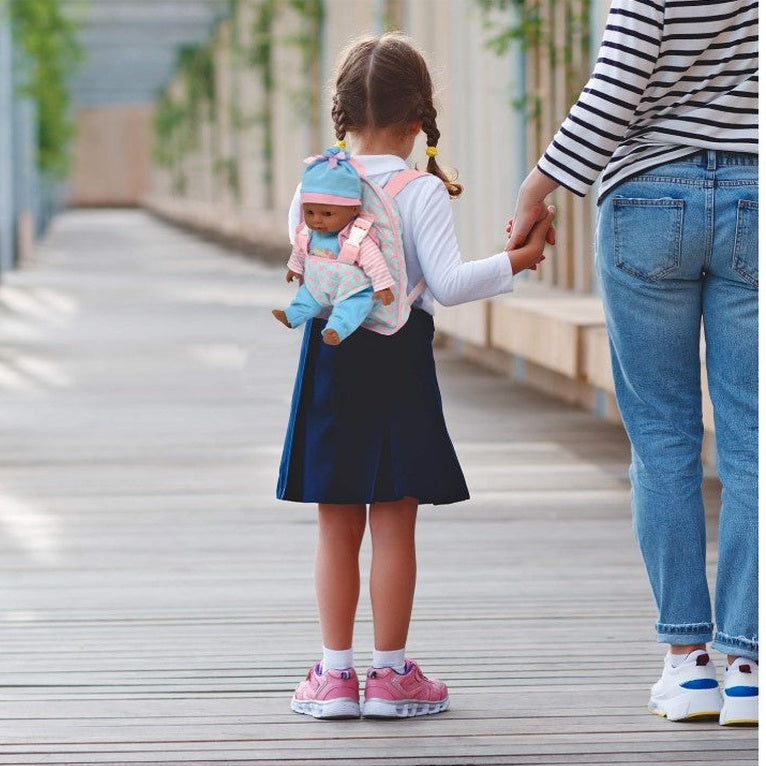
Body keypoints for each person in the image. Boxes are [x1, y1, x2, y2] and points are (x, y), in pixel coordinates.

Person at [277, 32, 554, 719]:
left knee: (334, 522)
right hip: (399, 362)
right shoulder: (419, 188)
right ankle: (393, 674)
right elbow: (453, 285)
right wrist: (518, 260)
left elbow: (308, 271)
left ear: (340, 114)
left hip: (331, 361)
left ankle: (335, 677)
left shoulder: (312, 187)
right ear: (416, 121)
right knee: (394, 523)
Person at [508, 0, 758, 725]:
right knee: (752, 439)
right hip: (756, 191)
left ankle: (688, 667)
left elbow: (619, 80)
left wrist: (539, 184)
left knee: (663, 439)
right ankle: (746, 666)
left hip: (650, 194)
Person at [273, 147, 395, 346]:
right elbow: (301, 251)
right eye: (310, 212)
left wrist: (382, 286)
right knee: (305, 297)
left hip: (352, 289)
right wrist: (294, 268)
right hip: (317, 284)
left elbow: (374, 261)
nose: (317, 221)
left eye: (327, 214)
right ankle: (292, 316)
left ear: (354, 209)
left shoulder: (356, 235)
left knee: (354, 307)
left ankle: (336, 330)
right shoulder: (308, 232)